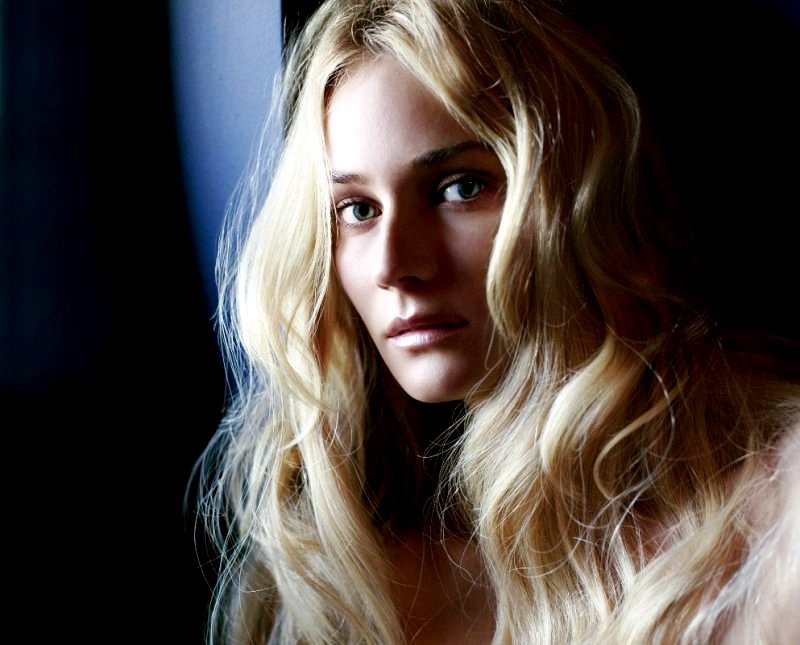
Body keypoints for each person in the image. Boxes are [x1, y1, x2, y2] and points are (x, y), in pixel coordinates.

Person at [194, 0, 800, 642]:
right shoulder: (334, 579)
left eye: (460, 188)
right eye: (358, 210)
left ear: (579, 197)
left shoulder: (775, 517)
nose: (395, 266)